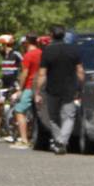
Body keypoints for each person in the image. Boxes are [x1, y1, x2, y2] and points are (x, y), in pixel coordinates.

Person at [37, 25, 84, 154]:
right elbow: (80, 71)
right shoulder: (73, 50)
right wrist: (81, 86)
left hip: (52, 89)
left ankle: (59, 141)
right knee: (69, 117)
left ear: (51, 35)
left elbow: (42, 74)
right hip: (70, 89)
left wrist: (38, 91)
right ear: (64, 35)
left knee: (53, 117)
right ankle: (61, 142)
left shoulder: (47, 51)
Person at [11, 34, 43, 149]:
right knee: (36, 113)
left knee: (19, 110)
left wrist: (20, 89)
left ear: (27, 42)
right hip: (41, 86)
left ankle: (24, 140)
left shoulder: (28, 55)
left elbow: (24, 73)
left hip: (29, 86)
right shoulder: (42, 53)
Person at [0, 34, 21, 143]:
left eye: (1, 44)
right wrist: (0, 80)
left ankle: (15, 133)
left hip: (14, 85)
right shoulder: (4, 56)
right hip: (4, 86)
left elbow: (23, 67)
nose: (0, 47)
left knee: (14, 109)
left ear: (5, 44)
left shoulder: (16, 54)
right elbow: (6, 72)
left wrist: (19, 83)